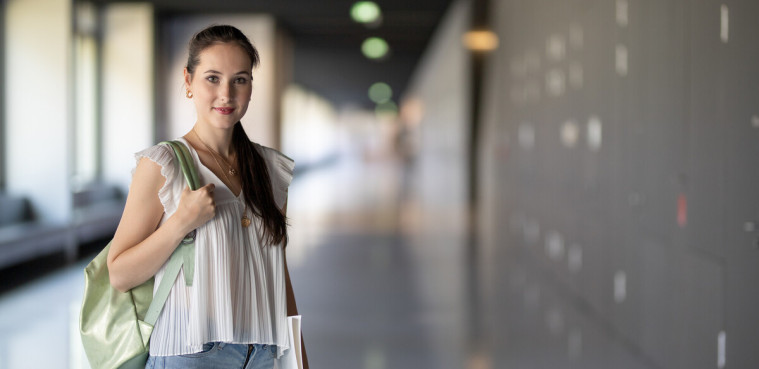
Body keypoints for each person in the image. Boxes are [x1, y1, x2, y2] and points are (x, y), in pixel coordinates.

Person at [106, 24, 309, 369]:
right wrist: (180, 223)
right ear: (188, 81)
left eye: (240, 80)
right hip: (192, 355)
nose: (226, 94)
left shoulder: (271, 170)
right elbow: (119, 273)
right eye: (212, 78)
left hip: (263, 354)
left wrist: (298, 357)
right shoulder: (163, 164)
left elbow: (279, 273)